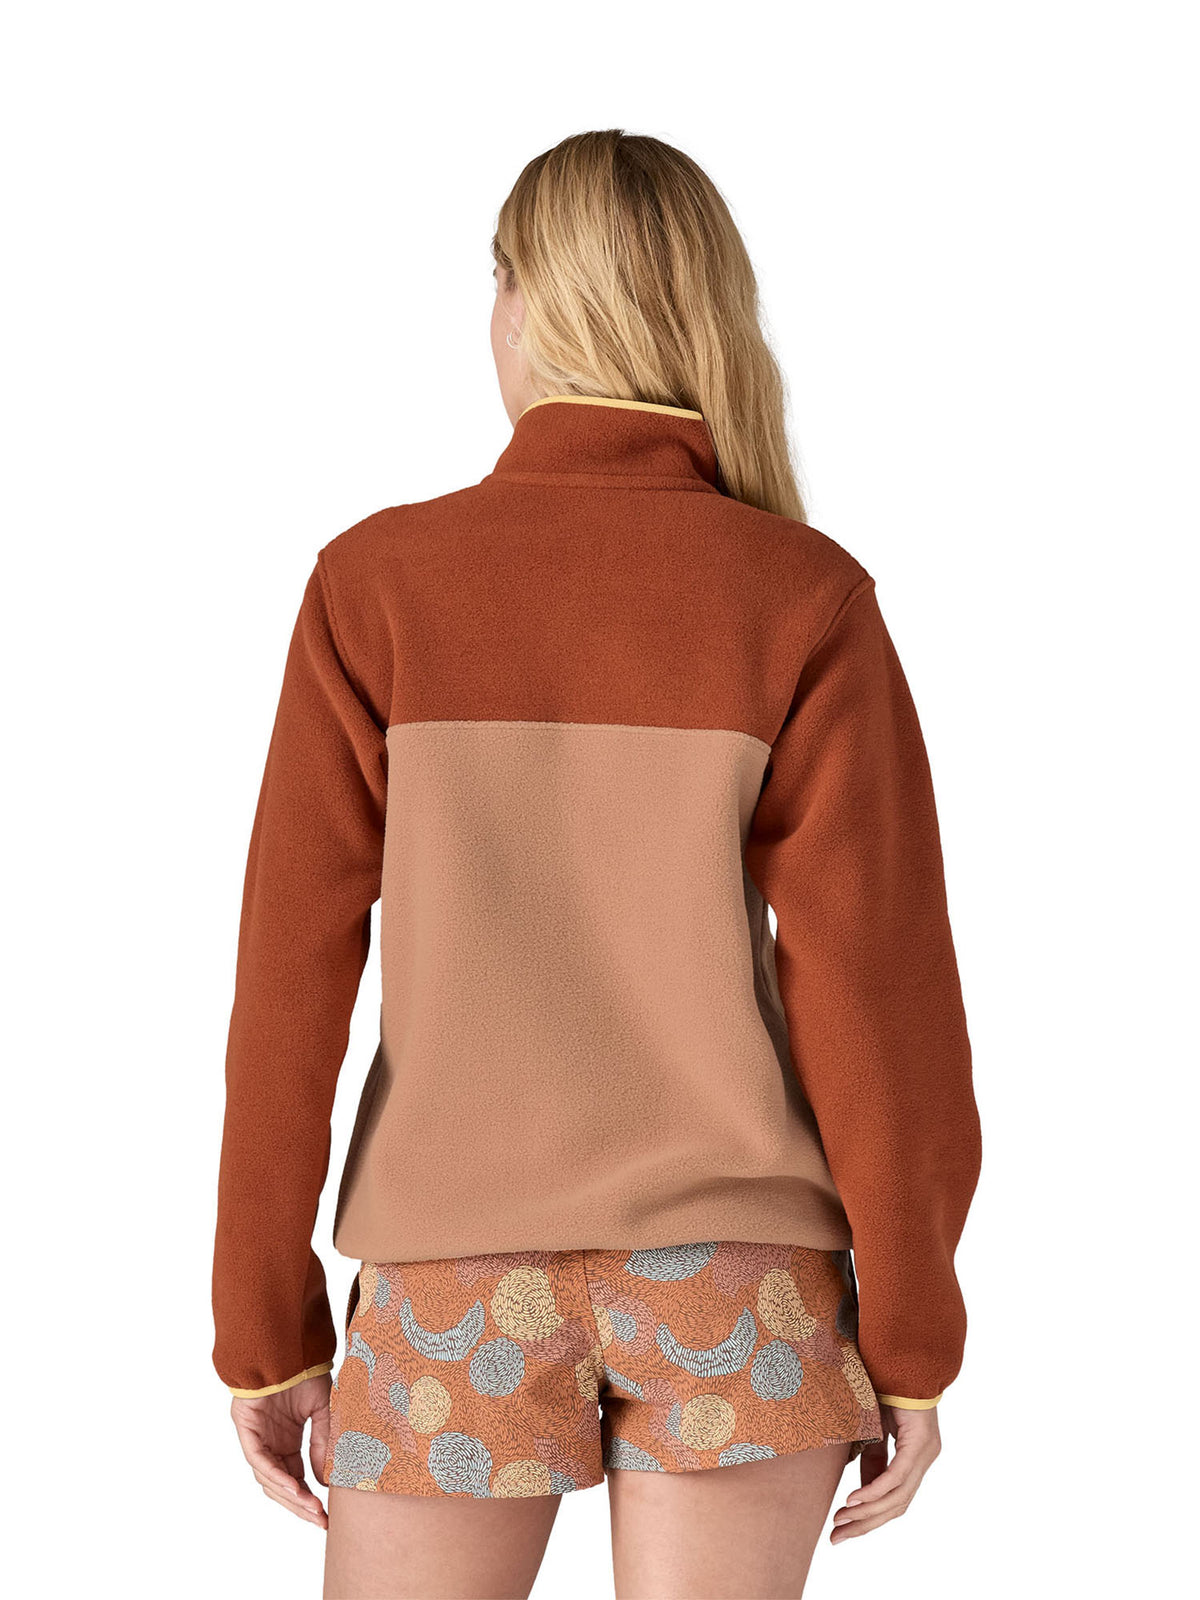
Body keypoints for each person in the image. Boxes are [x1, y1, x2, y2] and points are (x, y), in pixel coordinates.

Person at [213, 129, 981, 1600]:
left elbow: (288, 979)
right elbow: (881, 1001)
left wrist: (264, 1325)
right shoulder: (803, 593)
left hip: (450, 1273)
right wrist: (913, 1339)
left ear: (523, 304)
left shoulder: (375, 586)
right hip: (739, 1281)